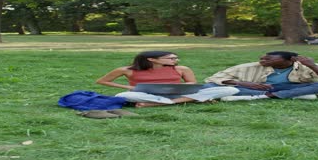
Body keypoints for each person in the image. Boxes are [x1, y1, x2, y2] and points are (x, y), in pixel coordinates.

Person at [96, 51, 238, 108]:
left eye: (175, 58)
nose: (175, 60)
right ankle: (190, 100)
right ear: (152, 59)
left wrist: (182, 87)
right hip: (146, 94)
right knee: (123, 96)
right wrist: (129, 87)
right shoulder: (126, 70)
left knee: (231, 89)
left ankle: (165, 103)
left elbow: (192, 83)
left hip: (177, 93)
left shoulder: (182, 68)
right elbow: (102, 81)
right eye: (171, 58)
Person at [203, 51, 318, 101]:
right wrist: (244, 84)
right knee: (209, 87)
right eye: (263, 58)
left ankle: (275, 96)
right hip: (258, 89)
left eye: (269, 59)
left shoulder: (308, 66)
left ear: (290, 60)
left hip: (290, 87)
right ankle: (289, 95)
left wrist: (313, 66)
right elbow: (212, 79)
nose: (262, 61)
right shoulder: (250, 66)